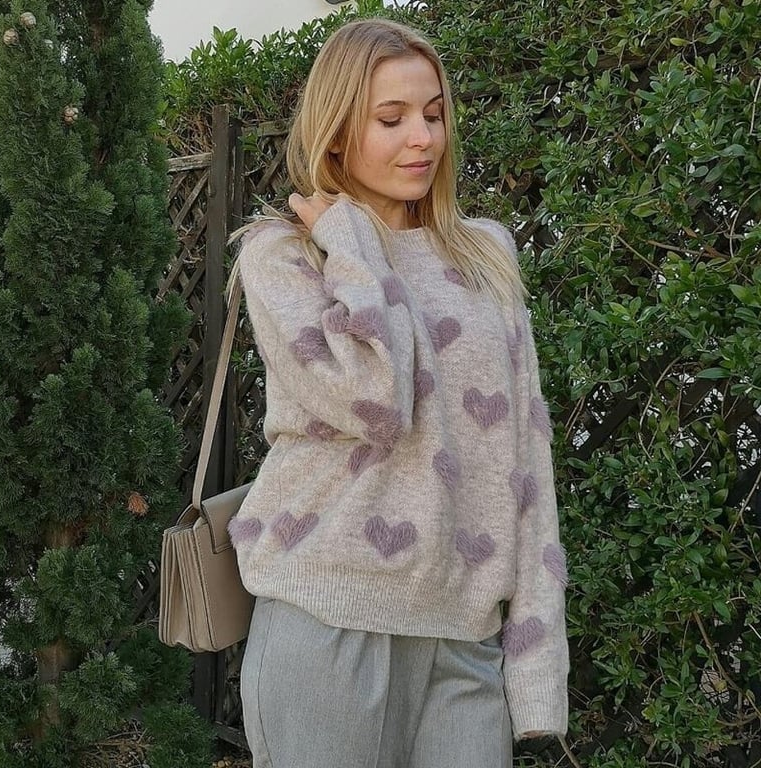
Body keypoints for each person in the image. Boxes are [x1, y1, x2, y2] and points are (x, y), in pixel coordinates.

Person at [227, 17, 569, 768]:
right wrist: (350, 241)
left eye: (434, 114)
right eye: (392, 119)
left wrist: (537, 668)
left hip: (462, 636)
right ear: (336, 133)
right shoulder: (284, 255)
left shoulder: (485, 253)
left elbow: (526, 461)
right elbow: (375, 401)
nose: (423, 138)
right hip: (328, 618)